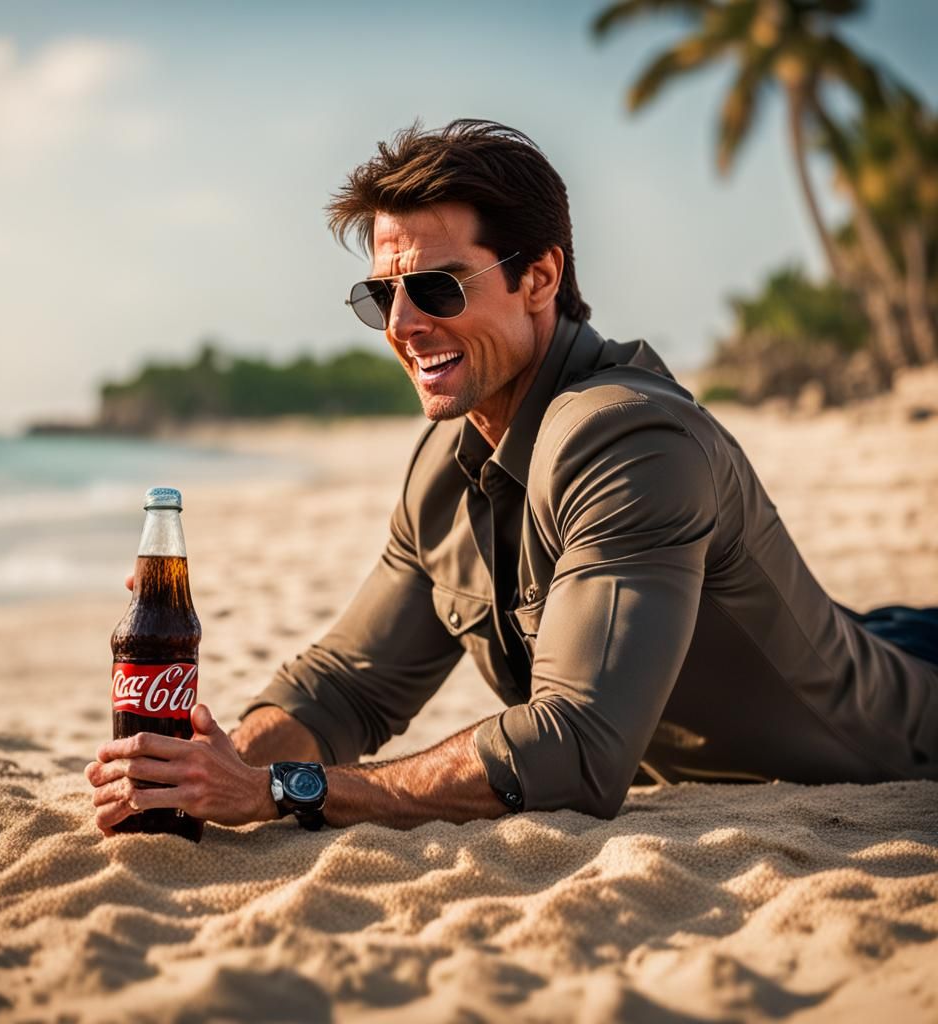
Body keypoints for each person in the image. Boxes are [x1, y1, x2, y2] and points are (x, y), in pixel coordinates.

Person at [86, 120, 938, 835]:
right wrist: (217, 765)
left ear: (540, 278)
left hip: (908, 721)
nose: (403, 324)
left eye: (436, 288)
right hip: (858, 634)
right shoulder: (446, 463)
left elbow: (577, 748)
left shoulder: (632, 442)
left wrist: (285, 790)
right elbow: (346, 687)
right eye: (380, 297)